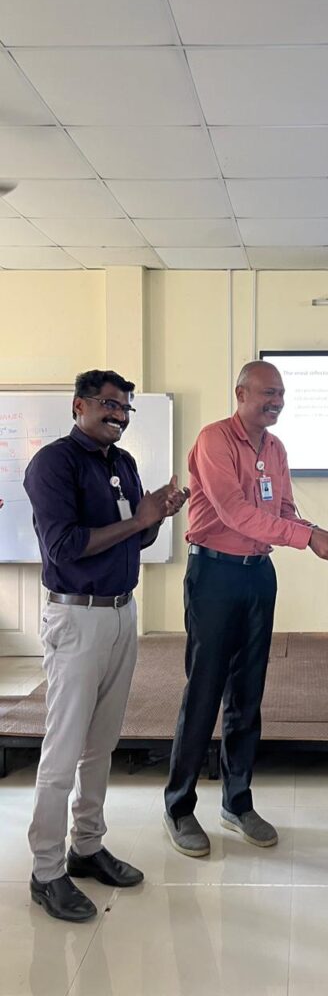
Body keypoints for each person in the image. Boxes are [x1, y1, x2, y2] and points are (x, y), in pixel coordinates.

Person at [23, 369, 189, 923]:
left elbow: (138, 536)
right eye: (109, 405)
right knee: (64, 748)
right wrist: (139, 519)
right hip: (76, 617)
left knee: (102, 743)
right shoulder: (54, 464)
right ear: (80, 405)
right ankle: (47, 870)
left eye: (125, 408)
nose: (118, 415)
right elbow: (65, 547)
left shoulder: (124, 463)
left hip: (121, 613)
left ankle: (87, 845)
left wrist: (157, 515)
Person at [164, 360, 328, 857]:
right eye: (268, 393)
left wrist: (315, 533)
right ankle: (179, 807)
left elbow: (281, 510)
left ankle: (237, 801)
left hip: (258, 574)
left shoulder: (276, 448)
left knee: (248, 693)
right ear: (241, 393)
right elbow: (235, 513)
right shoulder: (214, 440)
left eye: (281, 394)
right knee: (204, 691)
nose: (277, 402)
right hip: (214, 574)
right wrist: (306, 538)